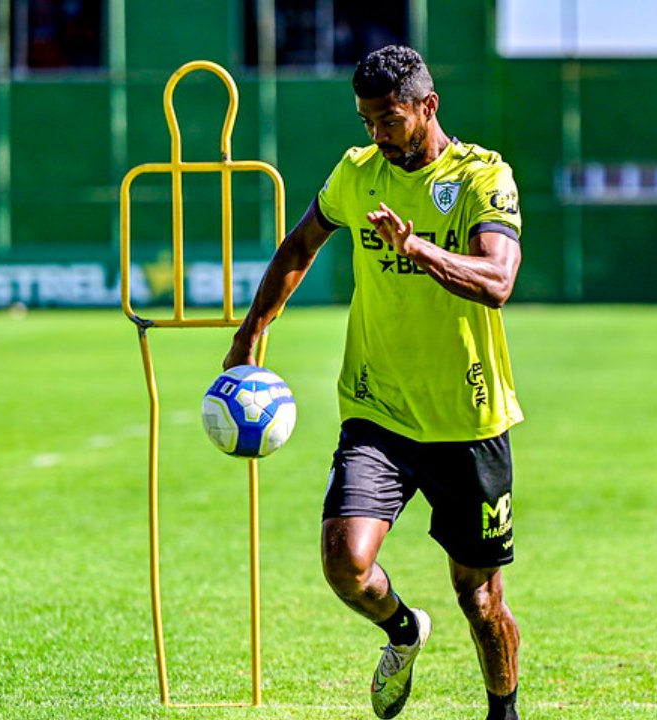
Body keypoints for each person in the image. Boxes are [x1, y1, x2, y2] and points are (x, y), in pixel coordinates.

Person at [223, 45, 523, 720]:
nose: (376, 136)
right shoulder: (358, 174)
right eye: (366, 122)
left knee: (480, 601)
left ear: (427, 106)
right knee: (344, 562)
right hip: (377, 412)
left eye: (388, 120)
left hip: (467, 420)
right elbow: (301, 243)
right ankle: (402, 629)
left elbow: (497, 280)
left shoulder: (483, 177)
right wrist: (249, 336)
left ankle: (503, 712)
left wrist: (415, 246)